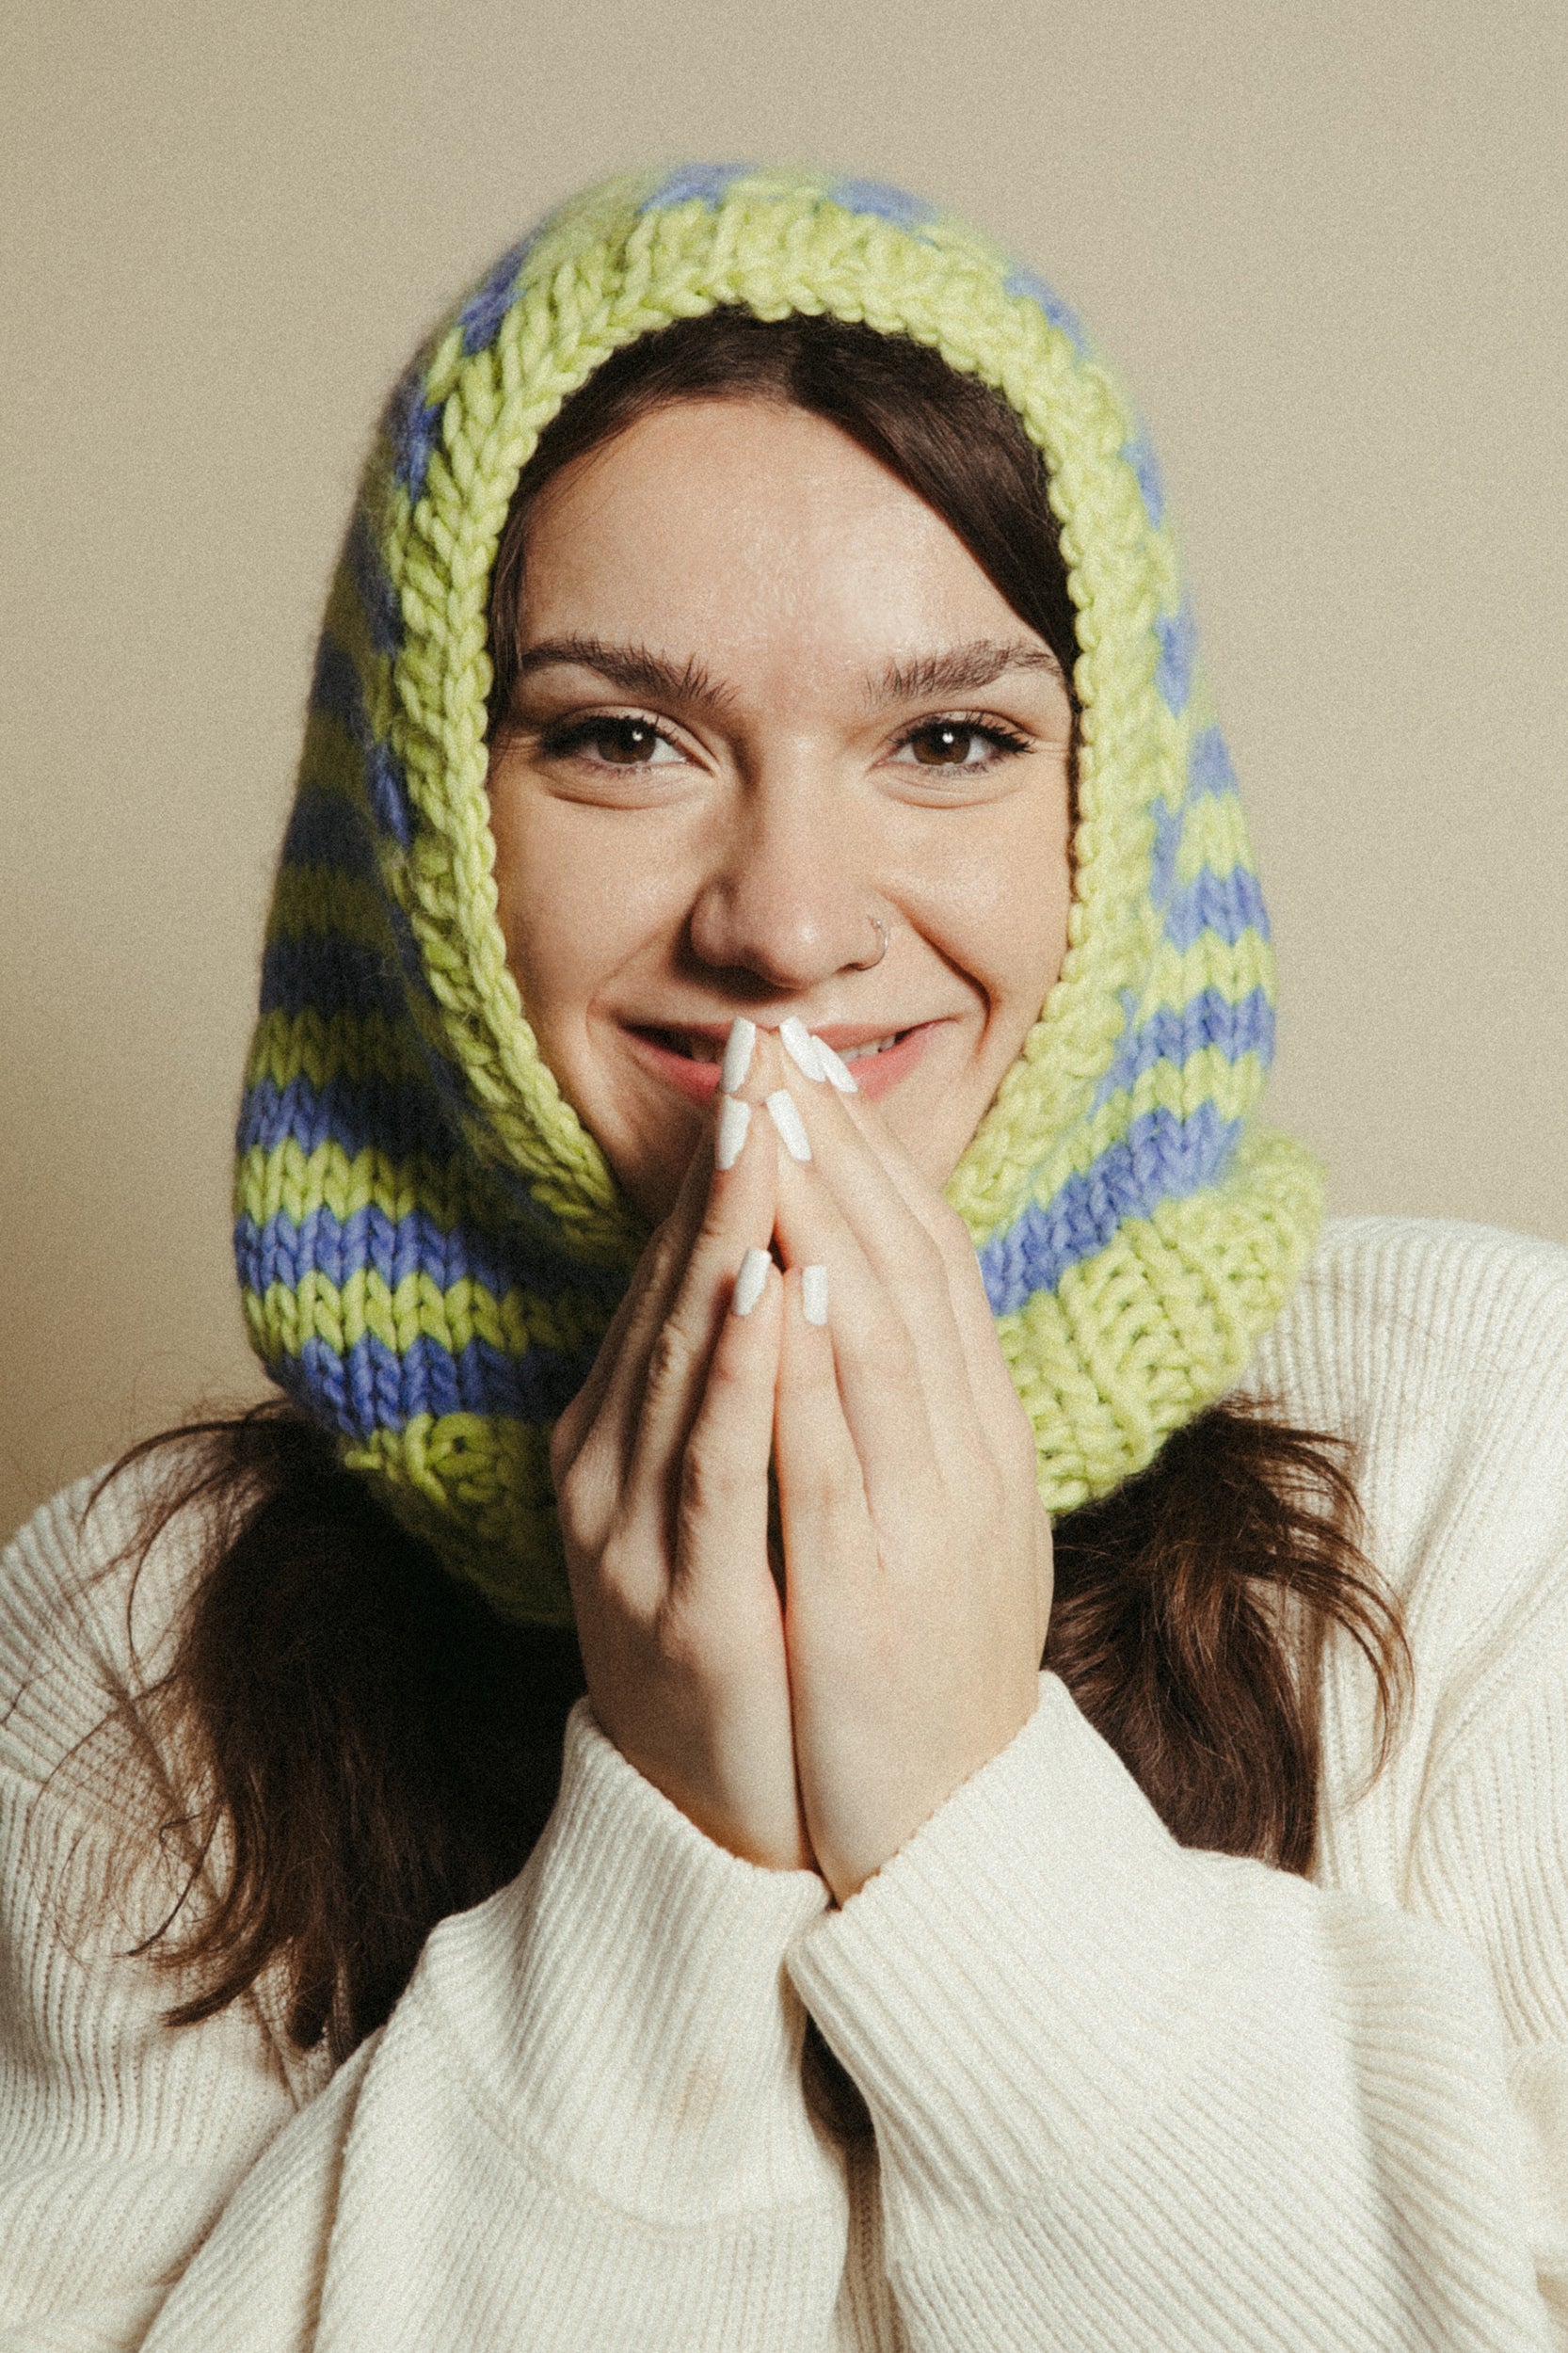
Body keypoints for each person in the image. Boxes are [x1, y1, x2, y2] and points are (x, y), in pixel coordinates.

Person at [2, 164, 1565, 2350]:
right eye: (619, 738)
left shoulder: (1484, 1444)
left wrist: (956, 1811)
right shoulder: (133, 1629)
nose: (788, 916)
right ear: (427, 820)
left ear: (1103, 816)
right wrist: (666, 1835)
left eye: (948, 740)